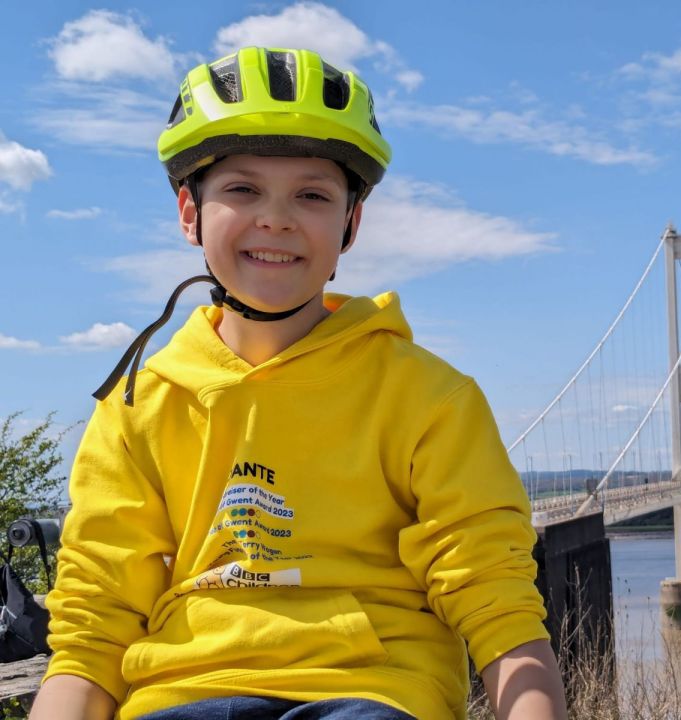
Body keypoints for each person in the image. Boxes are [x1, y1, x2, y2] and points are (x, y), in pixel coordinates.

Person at [30, 47, 566, 720]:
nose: (276, 218)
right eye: (242, 189)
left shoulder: (428, 398)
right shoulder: (140, 405)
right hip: (182, 695)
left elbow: (498, 601)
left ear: (351, 223)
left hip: (372, 691)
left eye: (311, 194)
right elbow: (93, 624)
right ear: (190, 213)